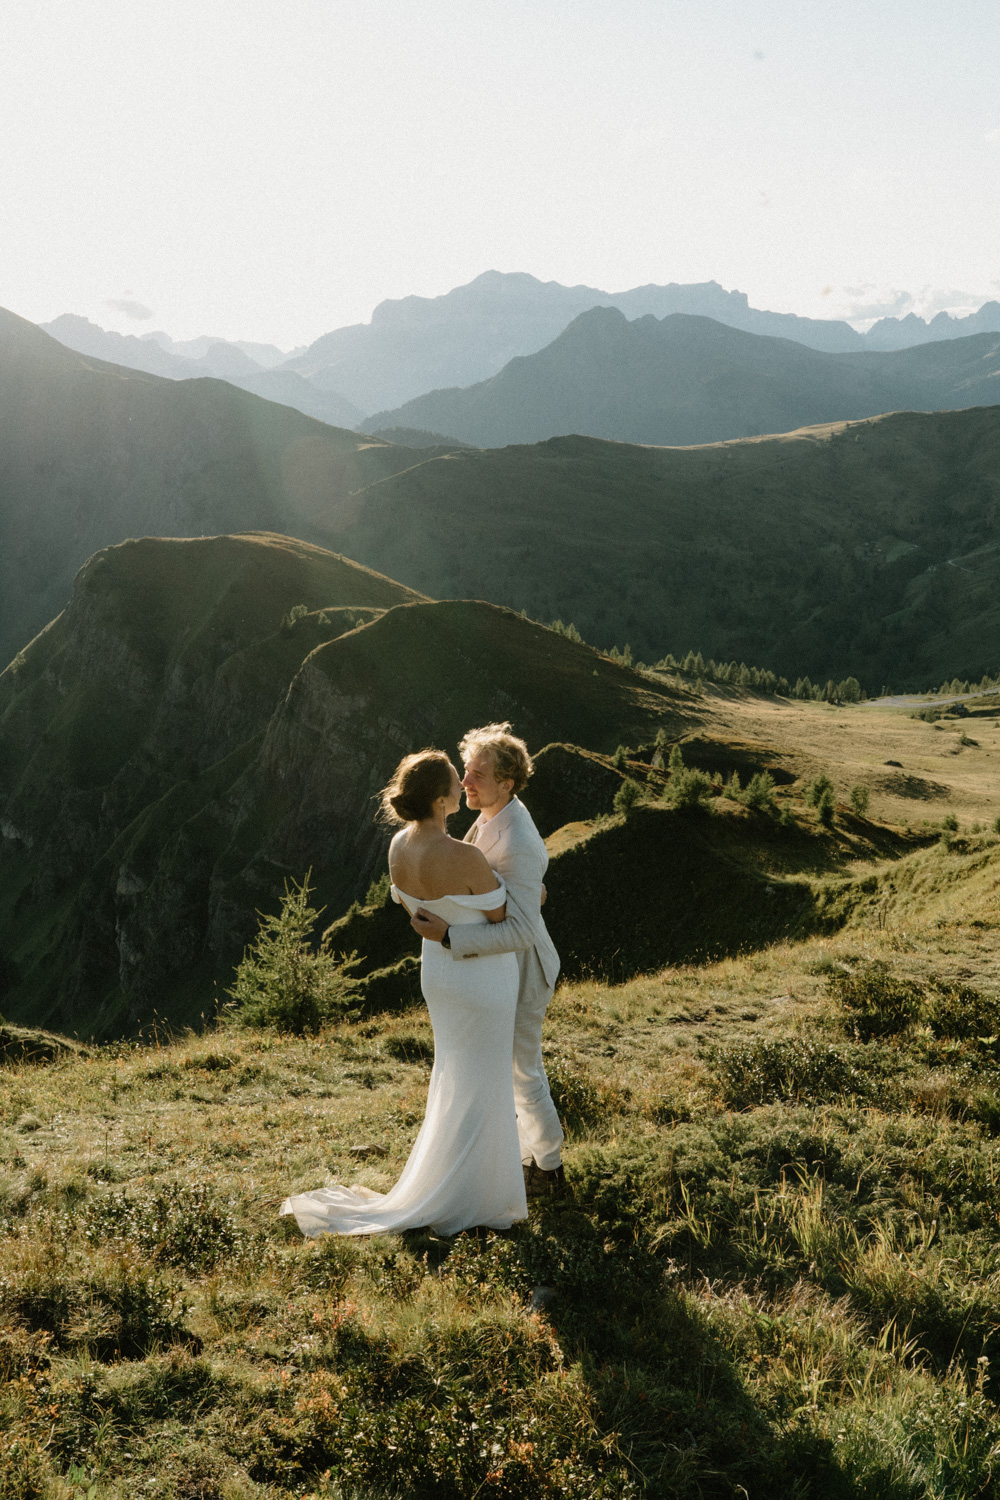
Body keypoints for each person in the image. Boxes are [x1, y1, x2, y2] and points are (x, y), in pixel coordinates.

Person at [280, 749, 527, 1238]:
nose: (465, 786)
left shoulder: (397, 846)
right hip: (479, 978)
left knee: (455, 1075)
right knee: (486, 1081)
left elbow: (409, 906)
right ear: (440, 800)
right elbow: (501, 917)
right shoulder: (466, 856)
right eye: (458, 781)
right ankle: (475, 1196)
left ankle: (458, 1181)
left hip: (438, 975)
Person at [411, 723, 565, 1196]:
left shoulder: (517, 836)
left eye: (478, 774)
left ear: (507, 783)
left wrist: (451, 935)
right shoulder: (490, 817)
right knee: (502, 1065)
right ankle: (521, 1158)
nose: (465, 782)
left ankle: (551, 1169)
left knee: (523, 1066)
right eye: (466, 771)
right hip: (497, 969)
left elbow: (519, 930)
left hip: (525, 968)